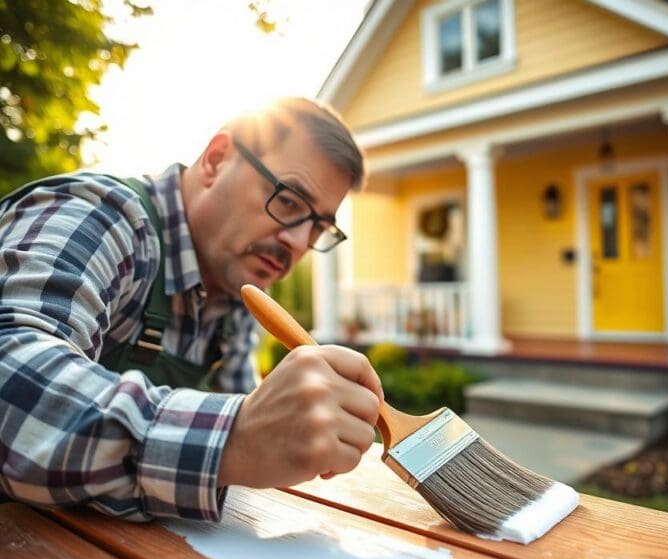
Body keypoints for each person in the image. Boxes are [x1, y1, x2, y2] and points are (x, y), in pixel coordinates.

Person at [0, 97, 383, 521]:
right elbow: (9, 372)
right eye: (289, 201)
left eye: (319, 227)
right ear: (217, 160)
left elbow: (253, 423)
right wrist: (235, 438)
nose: (297, 242)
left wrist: (289, 430)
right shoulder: (102, 216)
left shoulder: (237, 293)